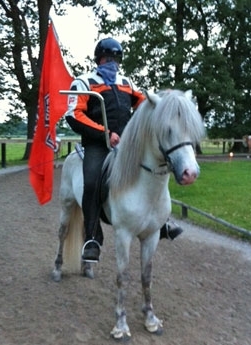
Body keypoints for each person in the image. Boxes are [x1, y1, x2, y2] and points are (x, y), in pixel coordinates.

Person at [64, 38, 180, 263]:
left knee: (156, 169)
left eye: (116, 60)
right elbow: (74, 115)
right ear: (99, 59)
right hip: (98, 144)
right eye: (108, 59)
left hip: (126, 144)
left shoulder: (126, 82)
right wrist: (104, 133)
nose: (112, 64)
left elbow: (143, 103)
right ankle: (92, 238)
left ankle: (161, 221)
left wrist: (164, 99)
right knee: (91, 182)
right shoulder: (83, 82)